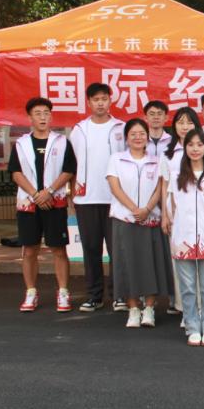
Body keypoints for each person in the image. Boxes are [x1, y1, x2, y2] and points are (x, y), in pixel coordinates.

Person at [10, 97, 76, 313]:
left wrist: (49, 192)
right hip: (28, 204)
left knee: (58, 248)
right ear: (29, 117)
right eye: (38, 113)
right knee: (29, 249)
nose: (42, 117)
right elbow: (16, 172)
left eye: (46, 113)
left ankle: (63, 292)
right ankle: (30, 292)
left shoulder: (62, 141)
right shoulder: (21, 144)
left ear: (51, 116)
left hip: (54, 203)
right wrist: (36, 194)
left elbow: (68, 170)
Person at [106, 119, 167, 328]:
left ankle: (149, 308)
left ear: (147, 137)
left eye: (142, 133)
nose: (138, 137)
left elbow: (160, 188)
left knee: (150, 264)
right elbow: (115, 187)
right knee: (127, 264)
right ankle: (133, 309)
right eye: (133, 134)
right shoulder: (116, 159)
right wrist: (134, 209)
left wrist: (147, 209)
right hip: (125, 219)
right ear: (126, 138)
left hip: (150, 219)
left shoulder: (157, 161)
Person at [166, 128, 204, 347]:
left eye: (200, 144)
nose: (195, 149)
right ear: (185, 148)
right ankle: (192, 326)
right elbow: (172, 207)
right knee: (188, 287)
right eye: (190, 145)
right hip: (183, 239)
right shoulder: (176, 177)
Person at [71, 83, 126, 312]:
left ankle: (119, 295)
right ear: (89, 102)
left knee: (117, 250)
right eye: (96, 99)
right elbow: (72, 164)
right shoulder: (79, 130)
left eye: (104, 98)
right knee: (91, 249)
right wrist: (72, 194)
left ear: (110, 101)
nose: (100, 103)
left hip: (116, 199)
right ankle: (94, 295)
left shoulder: (121, 128)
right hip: (86, 199)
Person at [160, 106, 201, 316]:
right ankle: (183, 306)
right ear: (174, 125)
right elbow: (164, 185)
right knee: (180, 259)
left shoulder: (202, 150)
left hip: (199, 213)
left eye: (189, 122)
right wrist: (164, 216)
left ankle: (200, 306)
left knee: (200, 259)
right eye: (180, 122)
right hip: (175, 213)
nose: (185, 127)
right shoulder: (168, 154)